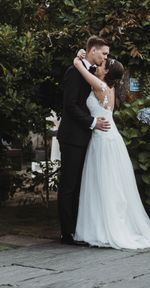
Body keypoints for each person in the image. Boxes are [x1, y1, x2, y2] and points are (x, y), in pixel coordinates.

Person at [72, 51, 150, 251]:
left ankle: (104, 229)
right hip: (108, 137)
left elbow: (81, 69)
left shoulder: (100, 86)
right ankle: (101, 226)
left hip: (104, 140)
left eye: (104, 64)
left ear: (106, 73)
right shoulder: (109, 87)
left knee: (104, 183)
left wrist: (78, 60)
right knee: (108, 183)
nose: (100, 64)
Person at [57, 36, 111, 246]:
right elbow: (70, 105)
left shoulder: (89, 72)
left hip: (85, 137)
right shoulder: (73, 72)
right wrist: (92, 123)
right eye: (103, 53)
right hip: (72, 137)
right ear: (92, 50)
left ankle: (77, 229)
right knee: (69, 185)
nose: (105, 57)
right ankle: (66, 234)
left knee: (79, 184)